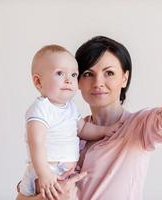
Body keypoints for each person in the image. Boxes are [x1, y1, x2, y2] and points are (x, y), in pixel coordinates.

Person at [17, 35, 162, 200]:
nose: (98, 82)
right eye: (88, 74)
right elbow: (21, 197)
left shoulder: (138, 127)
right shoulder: (65, 127)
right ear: (78, 82)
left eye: (109, 73)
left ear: (124, 78)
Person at [18, 45, 107, 200]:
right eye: (60, 73)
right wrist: (44, 173)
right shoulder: (41, 108)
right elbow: (36, 142)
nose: (68, 80)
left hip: (65, 171)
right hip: (47, 169)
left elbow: (83, 128)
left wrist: (105, 130)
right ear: (38, 82)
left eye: (73, 75)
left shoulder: (71, 108)